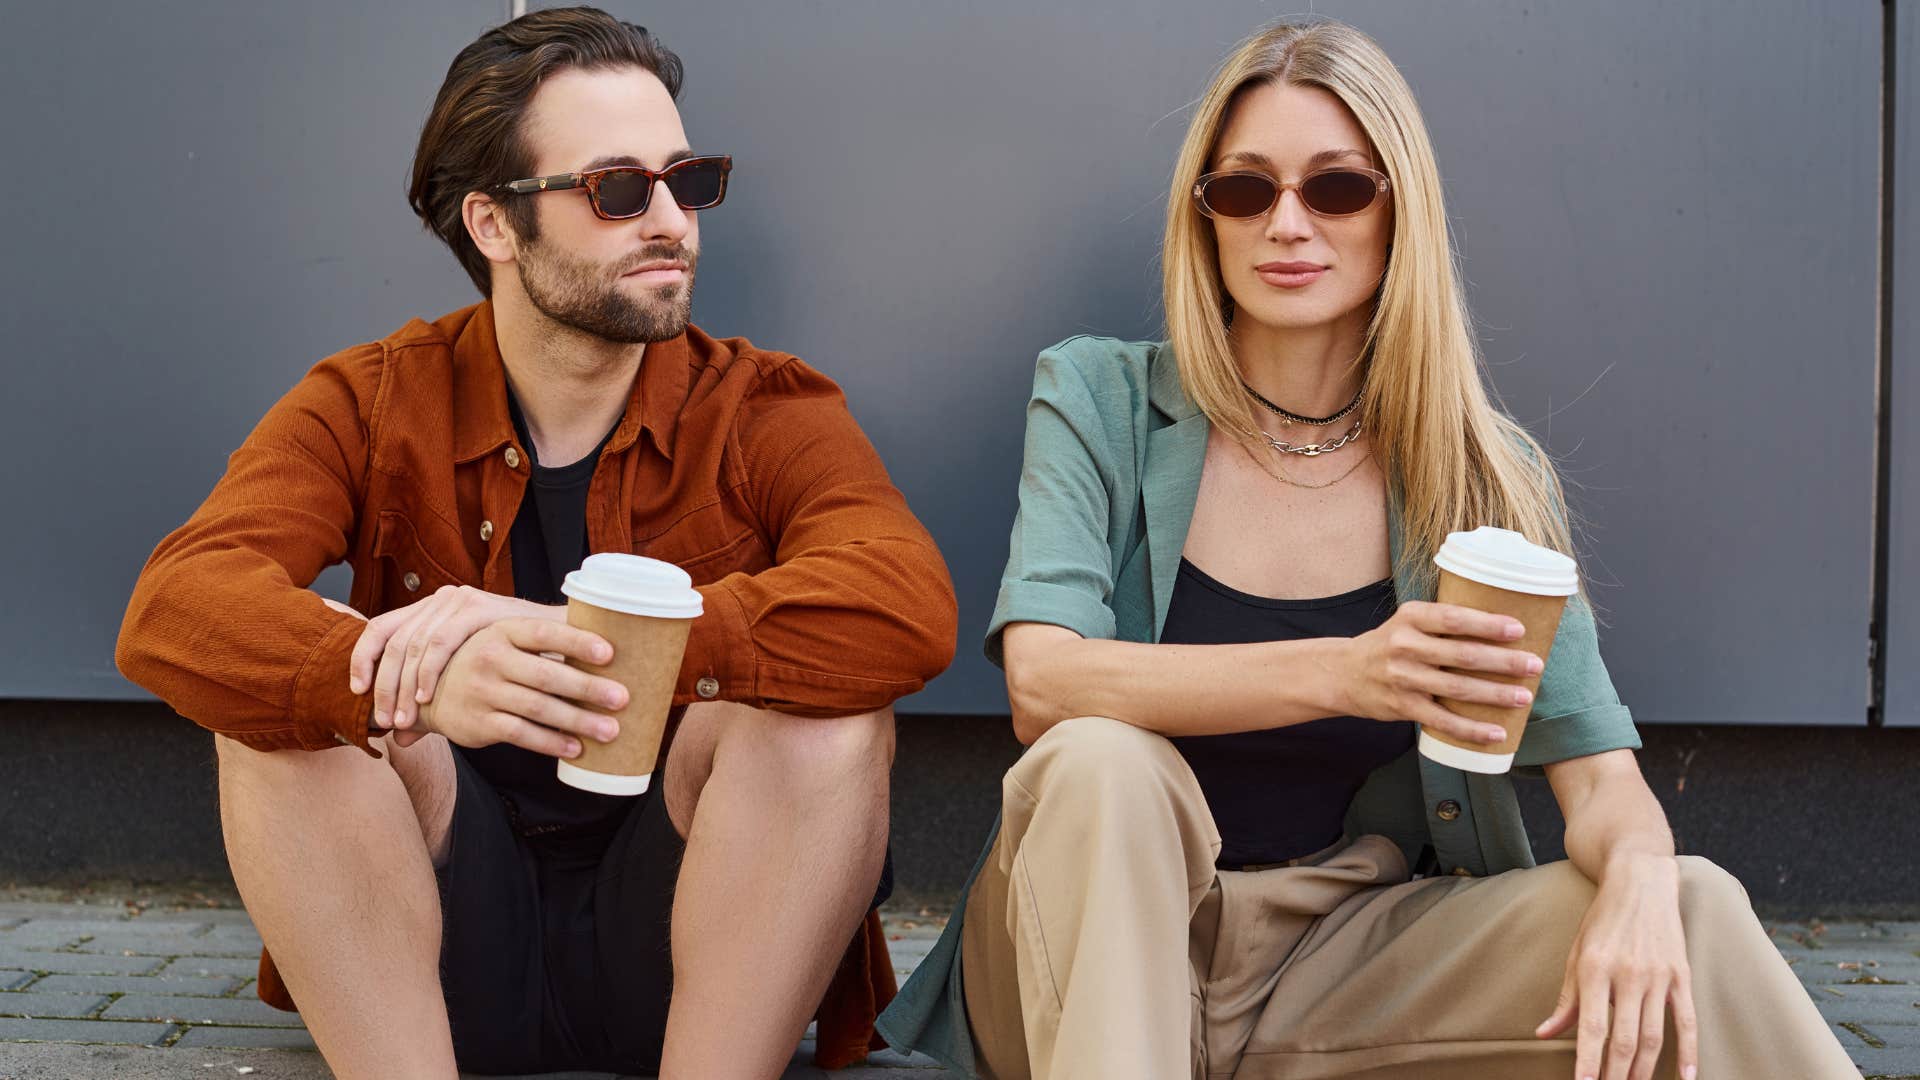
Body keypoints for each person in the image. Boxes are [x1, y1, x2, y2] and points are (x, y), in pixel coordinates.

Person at [877, 18, 1856, 1080]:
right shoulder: (1099, 398)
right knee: (1102, 759)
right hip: (1080, 956)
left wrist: (1636, 880)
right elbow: (1046, 680)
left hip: (1341, 965)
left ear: (1401, 213)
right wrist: (1350, 669)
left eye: (1336, 189)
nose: (1286, 224)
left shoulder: (1478, 475)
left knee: (1692, 906)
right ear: (1204, 219)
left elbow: (1603, 783)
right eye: (1245, 191)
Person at [115, 8, 956, 1078]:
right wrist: (401, 683)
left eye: (686, 181)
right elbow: (177, 604)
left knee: (823, 715)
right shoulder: (371, 401)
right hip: (445, 940)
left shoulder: (761, 407)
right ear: (495, 224)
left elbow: (906, 602)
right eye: (617, 190)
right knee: (304, 680)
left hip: (692, 938)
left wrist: (597, 645)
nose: (671, 221)